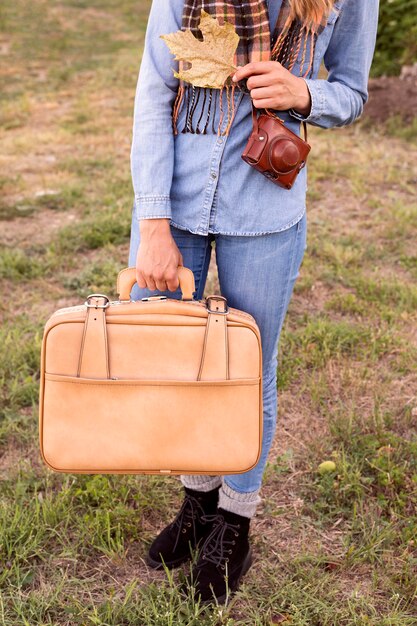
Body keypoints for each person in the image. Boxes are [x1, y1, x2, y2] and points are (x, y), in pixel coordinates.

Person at [127, 0, 379, 604]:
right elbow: (152, 97)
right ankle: (197, 500)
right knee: (175, 363)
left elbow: (351, 93)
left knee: (248, 373)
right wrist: (154, 225)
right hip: (176, 205)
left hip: (266, 210)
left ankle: (234, 523)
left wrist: (303, 93)